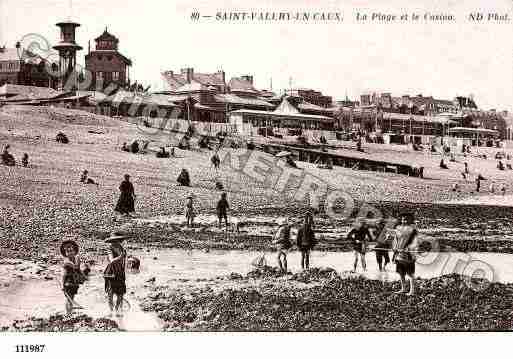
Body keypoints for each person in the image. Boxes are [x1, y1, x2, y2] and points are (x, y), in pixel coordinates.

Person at [392, 212, 418, 296]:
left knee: (410, 273)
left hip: (409, 255)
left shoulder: (413, 230)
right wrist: (394, 248)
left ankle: (412, 291)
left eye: (406, 219)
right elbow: (395, 240)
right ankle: (403, 288)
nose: (404, 221)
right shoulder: (398, 228)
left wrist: (409, 248)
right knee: (401, 272)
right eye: (403, 219)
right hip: (399, 255)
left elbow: (415, 242)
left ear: (410, 220)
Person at [104, 232, 128, 317]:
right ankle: (111, 310)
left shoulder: (122, 248)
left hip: (120, 272)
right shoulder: (110, 249)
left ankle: (117, 310)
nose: (116, 242)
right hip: (111, 272)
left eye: (117, 240)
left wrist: (124, 272)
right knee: (110, 293)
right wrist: (121, 257)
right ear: (111, 241)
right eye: (114, 241)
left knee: (120, 294)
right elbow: (111, 261)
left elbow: (124, 262)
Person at [60, 239, 85, 315]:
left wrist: (83, 277)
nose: (70, 253)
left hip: (74, 281)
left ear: (75, 251)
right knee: (69, 298)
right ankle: (68, 313)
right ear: (65, 253)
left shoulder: (75, 258)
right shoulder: (66, 262)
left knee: (72, 297)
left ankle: (69, 312)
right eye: (68, 252)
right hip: (68, 281)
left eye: (71, 251)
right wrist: (62, 285)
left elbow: (78, 269)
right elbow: (63, 274)